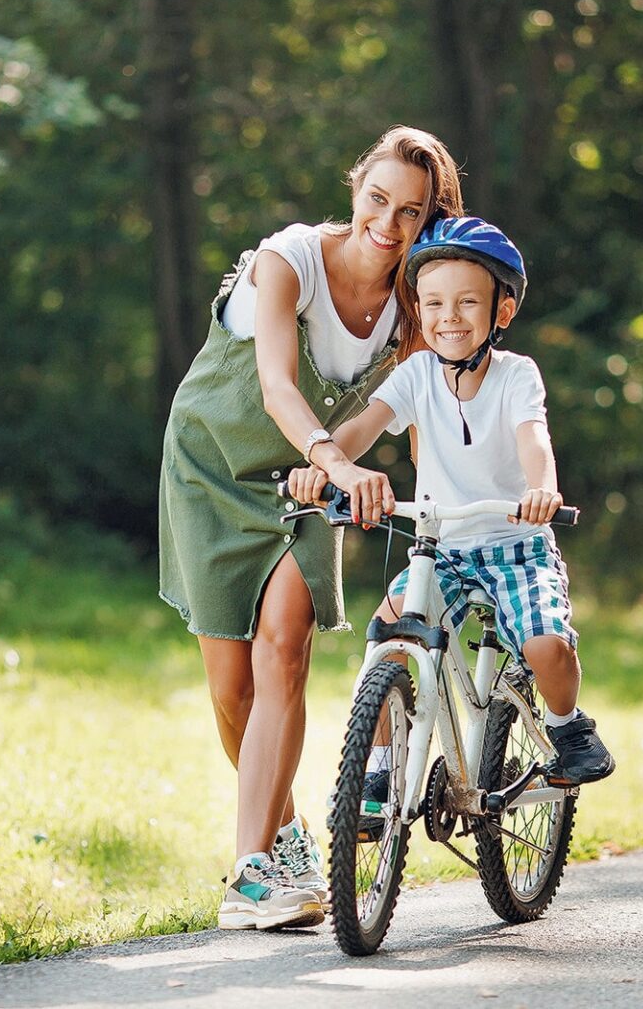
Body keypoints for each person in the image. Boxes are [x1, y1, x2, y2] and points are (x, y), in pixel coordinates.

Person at [158, 126, 465, 931]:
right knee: (231, 689)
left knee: (284, 651)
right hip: (213, 467)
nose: (389, 225)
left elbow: (413, 408)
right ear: (355, 184)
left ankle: (249, 871)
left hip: (308, 484)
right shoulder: (286, 259)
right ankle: (288, 834)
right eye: (378, 199)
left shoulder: (414, 307)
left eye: (411, 212)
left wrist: (436, 507)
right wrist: (335, 457)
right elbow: (275, 388)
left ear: (430, 219)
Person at [287, 216, 615, 790]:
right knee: (390, 638)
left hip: (516, 542)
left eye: (467, 302)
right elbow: (363, 428)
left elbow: (532, 437)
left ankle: (567, 726)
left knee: (546, 647)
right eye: (434, 303)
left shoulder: (516, 375)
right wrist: (323, 463)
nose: (449, 317)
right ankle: (383, 773)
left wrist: (543, 489)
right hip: (441, 548)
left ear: (501, 313)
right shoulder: (415, 375)